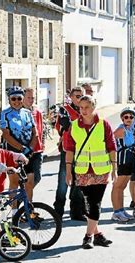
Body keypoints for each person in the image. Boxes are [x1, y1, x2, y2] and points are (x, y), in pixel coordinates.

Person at [64, 95, 117, 249]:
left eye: (87, 107)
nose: (83, 111)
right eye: (81, 107)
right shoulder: (74, 126)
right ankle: (98, 235)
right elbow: (69, 150)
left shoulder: (103, 124)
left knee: (95, 203)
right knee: (89, 204)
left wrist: (115, 167)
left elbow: (112, 146)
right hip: (82, 170)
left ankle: (87, 237)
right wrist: (68, 171)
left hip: (101, 170)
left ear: (94, 107)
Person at [0, 86, 38, 200]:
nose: (16, 101)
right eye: (13, 99)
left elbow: (35, 133)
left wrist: (30, 148)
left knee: (29, 182)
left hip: (28, 151)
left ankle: (29, 212)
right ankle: (14, 212)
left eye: (19, 98)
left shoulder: (27, 112)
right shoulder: (4, 114)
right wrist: (22, 148)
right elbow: (6, 135)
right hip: (13, 152)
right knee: (14, 182)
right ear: (9, 100)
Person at [53, 87, 86, 220]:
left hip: (83, 150)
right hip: (68, 149)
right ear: (71, 97)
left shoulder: (87, 109)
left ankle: (76, 212)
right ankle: (58, 211)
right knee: (63, 181)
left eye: (82, 96)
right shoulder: (64, 110)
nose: (80, 98)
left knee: (79, 182)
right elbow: (60, 128)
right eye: (77, 96)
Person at [111, 108, 135, 222]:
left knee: (122, 187)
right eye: (126, 117)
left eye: (131, 117)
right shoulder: (121, 130)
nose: (129, 119)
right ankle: (116, 212)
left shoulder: (131, 129)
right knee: (117, 186)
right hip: (123, 159)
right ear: (122, 118)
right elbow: (110, 142)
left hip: (130, 159)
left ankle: (121, 210)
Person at [22, 87, 44, 201]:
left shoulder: (37, 112)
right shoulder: (19, 112)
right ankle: (27, 208)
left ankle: (22, 199)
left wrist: (42, 144)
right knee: (28, 180)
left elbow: (41, 130)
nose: (31, 100)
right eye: (28, 97)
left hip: (38, 150)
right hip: (25, 151)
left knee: (37, 177)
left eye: (33, 97)